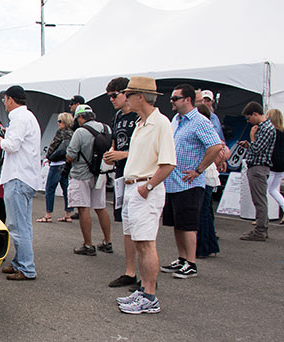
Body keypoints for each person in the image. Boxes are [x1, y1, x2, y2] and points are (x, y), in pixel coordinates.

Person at [114, 76, 176, 314]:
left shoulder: (160, 123)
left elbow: (168, 163)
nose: (125, 98)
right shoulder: (141, 123)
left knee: (146, 243)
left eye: (128, 94)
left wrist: (148, 186)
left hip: (144, 189)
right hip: (133, 187)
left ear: (140, 96)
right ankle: (144, 290)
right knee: (138, 242)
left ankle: (150, 295)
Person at [159, 84, 223, 280]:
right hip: (173, 181)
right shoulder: (176, 121)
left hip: (189, 182)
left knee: (188, 224)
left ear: (187, 99)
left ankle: (191, 262)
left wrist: (199, 170)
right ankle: (181, 258)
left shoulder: (199, 121)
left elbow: (215, 146)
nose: (172, 101)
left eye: (175, 98)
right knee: (177, 223)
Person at [0, 86, 43, 281]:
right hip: (26, 177)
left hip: (18, 177)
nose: (4, 104)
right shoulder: (27, 117)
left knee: (17, 225)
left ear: (11, 100)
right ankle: (20, 263)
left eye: (5, 100)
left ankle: (27, 267)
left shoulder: (20, 118)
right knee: (23, 225)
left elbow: (12, 146)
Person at [65, 105, 113, 256]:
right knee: (100, 207)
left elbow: (70, 155)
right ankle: (107, 241)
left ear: (80, 117)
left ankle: (88, 244)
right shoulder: (106, 129)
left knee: (83, 208)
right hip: (101, 173)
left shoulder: (80, 132)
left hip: (81, 174)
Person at [103, 77, 138, 228]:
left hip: (137, 173)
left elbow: (148, 149)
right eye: (109, 96)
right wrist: (110, 155)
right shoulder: (117, 117)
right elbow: (114, 143)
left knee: (137, 222)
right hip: (121, 172)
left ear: (126, 94)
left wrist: (123, 154)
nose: (111, 100)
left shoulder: (138, 116)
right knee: (124, 221)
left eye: (114, 95)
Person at [239, 101, 276, 241]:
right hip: (257, 167)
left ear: (255, 114)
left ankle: (260, 230)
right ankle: (261, 228)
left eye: (249, 118)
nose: (248, 122)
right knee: (259, 199)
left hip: (258, 167)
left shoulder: (266, 128)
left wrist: (252, 137)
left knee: (259, 200)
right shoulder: (265, 128)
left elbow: (256, 149)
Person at [194, 104, 225, 259]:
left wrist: (200, 168)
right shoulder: (207, 127)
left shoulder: (203, 126)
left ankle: (204, 246)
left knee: (203, 213)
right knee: (205, 212)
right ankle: (209, 245)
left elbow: (217, 147)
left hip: (205, 174)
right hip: (208, 173)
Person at [38, 112, 75, 223]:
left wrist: (48, 157)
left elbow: (53, 146)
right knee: (66, 189)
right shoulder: (73, 133)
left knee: (50, 189)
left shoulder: (60, 133)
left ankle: (48, 214)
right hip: (66, 163)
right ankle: (68, 214)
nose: (58, 123)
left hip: (56, 163)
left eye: (60, 121)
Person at [266, 108, 284, 224]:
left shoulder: (271, 132)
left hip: (273, 164)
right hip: (283, 164)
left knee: (263, 191)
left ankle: (262, 217)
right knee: (273, 189)